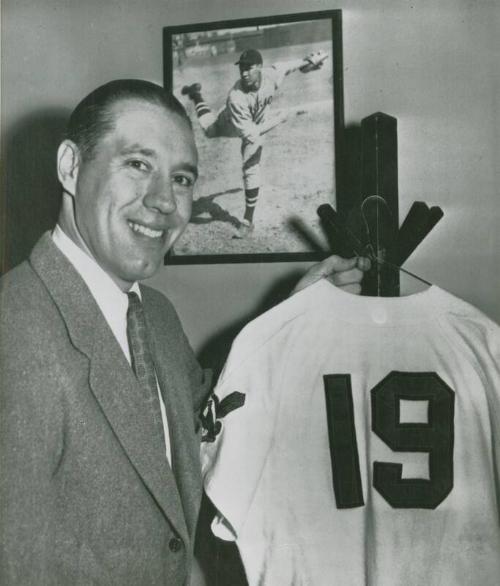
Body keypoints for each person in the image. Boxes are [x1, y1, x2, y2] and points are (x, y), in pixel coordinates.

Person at [0, 79, 368, 586]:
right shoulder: (14, 332)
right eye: (137, 165)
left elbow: (207, 425)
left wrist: (291, 317)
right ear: (71, 166)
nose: (164, 202)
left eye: (182, 179)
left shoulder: (155, 314)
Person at [182, 47, 328, 237]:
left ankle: (247, 221)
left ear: (260, 66)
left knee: (250, 166)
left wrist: (308, 62)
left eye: (249, 68)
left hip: (258, 122)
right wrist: (279, 118)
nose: (244, 72)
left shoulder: (272, 74)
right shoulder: (236, 97)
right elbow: (250, 134)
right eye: (241, 68)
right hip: (232, 123)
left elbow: (291, 66)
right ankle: (196, 95)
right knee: (208, 129)